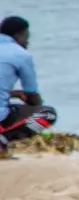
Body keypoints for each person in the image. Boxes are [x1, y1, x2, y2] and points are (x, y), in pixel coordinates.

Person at [0, 14, 43, 151]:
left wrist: (12, 93)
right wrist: (36, 106)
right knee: (47, 114)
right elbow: (32, 95)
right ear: (19, 35)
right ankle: (8, 138)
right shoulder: (20, 54)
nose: (27, 43)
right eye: (26, 37)